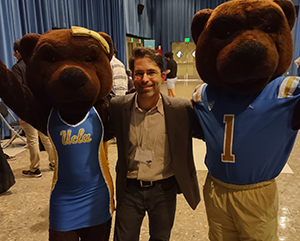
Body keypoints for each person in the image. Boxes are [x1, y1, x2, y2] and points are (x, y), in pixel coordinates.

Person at [105, 47, 202, 241]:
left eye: (151, 72)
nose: (145, 79)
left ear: (162, 76)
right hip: (130, 188)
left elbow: (209, 132)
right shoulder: (118, 107)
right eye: (139, 73)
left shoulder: (180, 109)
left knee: (160, 238)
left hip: (164, 190)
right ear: (132, 76)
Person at [11, 40, 55, 177]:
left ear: (18, 52)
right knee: (46, 137)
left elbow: (17, 89)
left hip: (28, 108)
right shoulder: (38, 65)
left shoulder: (17, 68)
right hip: (42, 106)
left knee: (32, 139)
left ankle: (35, 168)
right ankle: (54, 162)